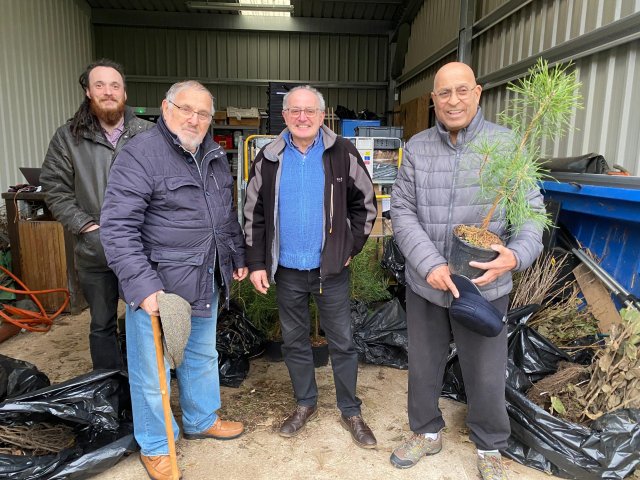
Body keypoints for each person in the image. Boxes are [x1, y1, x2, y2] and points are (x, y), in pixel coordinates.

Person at [389, 62, 544, 480]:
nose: (453, 101)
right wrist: (430, 264)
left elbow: (531, 213)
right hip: (428, 283)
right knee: (423, 363)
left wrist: (515, 255)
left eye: (461, 91)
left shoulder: (507, 145)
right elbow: (401, 212)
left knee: (487, 370)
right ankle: (425, 432)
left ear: (477, 93)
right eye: (444, 93)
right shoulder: (418, 148)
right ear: (433, 100)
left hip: (484, 284)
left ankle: (490, 444)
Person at [100, 80, 247, 480]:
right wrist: (143, 286)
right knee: (154, 371)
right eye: (186, 109)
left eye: (203, 113)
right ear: (166, 110)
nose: (194, 119)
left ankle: (202, 419)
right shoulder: (141, 154)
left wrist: (235, 255)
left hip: (205, 278)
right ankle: (157, 444)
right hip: (160, 288)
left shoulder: (213, 153)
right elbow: (117, 229)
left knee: (201, 355)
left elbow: (224, 214)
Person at [243, 85, 379, 448]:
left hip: (329, 271)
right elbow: (252, 212)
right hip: (286, 271)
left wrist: (350, 246)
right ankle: (305, 404)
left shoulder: (342, 153)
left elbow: (365, 204)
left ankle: (351, 410)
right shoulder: (269, 157)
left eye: (310, 111)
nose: (302, 117)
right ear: (284, 116)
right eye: (294, 111)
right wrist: (256, 262)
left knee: (343, 342)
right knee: (294, 341)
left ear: (322, 116)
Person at [40, 59, 153, 371]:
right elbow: (53, 184)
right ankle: (108, 388)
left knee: (144, 320)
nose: (108, 92)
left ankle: (143, 387)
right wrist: (84, 225)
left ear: (125, 93)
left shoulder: (148, 134)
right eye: (100, 85)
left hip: (141, 251)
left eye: (114, 86)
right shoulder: (68, 137)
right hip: (96, 251)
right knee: (102, 323)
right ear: (88, 92)